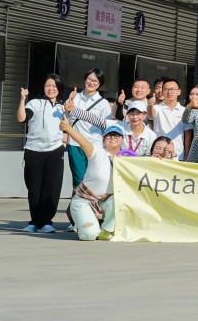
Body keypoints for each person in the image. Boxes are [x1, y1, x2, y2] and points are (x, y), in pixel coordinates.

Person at [57, 119, 126, 241]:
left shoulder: (127, 158)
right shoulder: (97, 152)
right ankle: (84, 222)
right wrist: (68, 129)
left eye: (116, 135)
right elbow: (82, 141)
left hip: (107, 202)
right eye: (109, 135)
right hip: (84, 200)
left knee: (121, 200)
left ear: (122, 139)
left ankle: (106, 230)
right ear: (103, 139)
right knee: (89, 235)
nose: (112, 137)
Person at [17, 77, 67, 234]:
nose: (51, 88)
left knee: (52, 188)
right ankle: (34, 222)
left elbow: (68, 127)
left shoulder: (63, 107)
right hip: (34, 150)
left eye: (54, 86)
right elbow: (21, 118)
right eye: (47, 85)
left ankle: (46, 222)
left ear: (59, 88)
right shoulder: (35, 103)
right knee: (34, 188)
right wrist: (22, 99)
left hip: (55, 150)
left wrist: (64, 142)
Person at [64, 69, 112, 192]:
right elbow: (65, 119)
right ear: (85, 79)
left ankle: (92, 203)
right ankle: (78, 202)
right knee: (79, 180)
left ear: (99, 84)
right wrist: (69, 103)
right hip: (75, 144)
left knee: (94, 179)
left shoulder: (103, 103)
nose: (91, 82)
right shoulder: (74, 97)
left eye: (95, 80)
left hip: (95, 145)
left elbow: (107, 126)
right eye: (89, 79)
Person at [153, 79, 189, 159]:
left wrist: (187, 155)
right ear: (162, 92)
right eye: (166, 89)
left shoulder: (184, 111)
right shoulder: (156, 108)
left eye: (172, 89)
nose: (169, 92)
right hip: (158, 154)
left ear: (179, 91)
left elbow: (188, 135)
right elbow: (150, 115)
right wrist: (150, 105)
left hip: (178, 154)